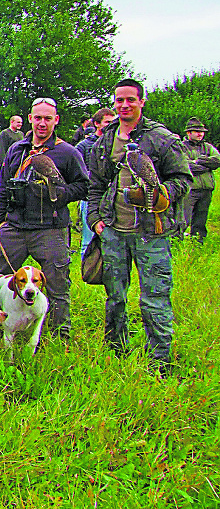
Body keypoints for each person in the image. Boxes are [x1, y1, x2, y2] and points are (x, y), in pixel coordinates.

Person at [87, 79, 192, 374]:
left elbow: (183, 178)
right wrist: (96, 220)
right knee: (115, 297)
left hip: (151, 232)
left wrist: (160, 194)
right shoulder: (104, 140)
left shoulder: (161, 138)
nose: (124, 105)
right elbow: (95, 185)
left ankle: (160, 361)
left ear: (141, 102)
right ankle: (115, 350)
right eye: (119, 100)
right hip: (113, 231)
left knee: (154, 297)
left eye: (130, 100)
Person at [0, 97, 88, 340]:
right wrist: (2, 220)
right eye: (38, 118)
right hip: (15, 226)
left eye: (48, 118)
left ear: (56, 120)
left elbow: (84, 186)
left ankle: (58, 336)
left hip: (50, 228)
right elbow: (3, 185)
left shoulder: (67, 153)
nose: (42, 123)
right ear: (30, 119)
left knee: (57, 284)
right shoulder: (16, 150)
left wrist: (59, 194)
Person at [76, 107, 116, 253]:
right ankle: (87, 272)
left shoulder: (115, 144)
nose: (111, 124)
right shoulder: (83, 145)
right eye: (107, 122)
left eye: (113, 121)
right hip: (90, 196)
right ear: (97, 124)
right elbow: (76, 171)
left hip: (112, 198)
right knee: (88, 240)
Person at [181, 117, 220, 244]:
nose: (200, 134)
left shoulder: (208, 147)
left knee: (201, 219)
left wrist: (198, 161)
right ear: (188, 133)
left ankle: (198, 243)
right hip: (189, 189)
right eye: (196, 131)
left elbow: (217, 161)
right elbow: (185, 166)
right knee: (183, 219)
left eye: (202, 131)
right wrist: (206, 165)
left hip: (206, 190)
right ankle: (177, 242)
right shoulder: (181, 147)